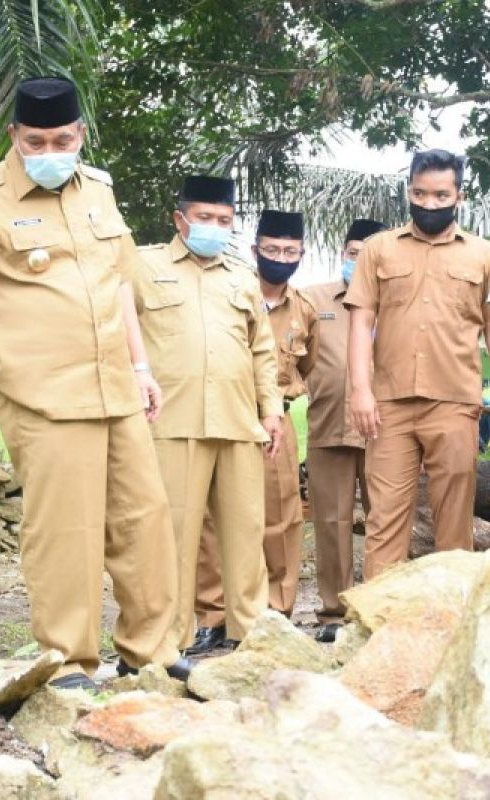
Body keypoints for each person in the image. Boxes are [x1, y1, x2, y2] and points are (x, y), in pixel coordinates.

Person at [0, 77, 190, 691]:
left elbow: (119, 280)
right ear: (15, 136)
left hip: (115, 387)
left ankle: (150, 651)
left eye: (63, 139)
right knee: (66, 531)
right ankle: (70, 661)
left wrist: (143, 367)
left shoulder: (98, 188)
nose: (50, 150)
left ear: (81, 134)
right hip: (44, 395)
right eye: (37, 140)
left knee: (144, 520)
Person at [133, 175, 283, 654]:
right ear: (181, 220)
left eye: (224, 220)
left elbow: (263, 350)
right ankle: (169, 641)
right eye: (204, 218)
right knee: (174, 538)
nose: (214, 227)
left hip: (239, 423)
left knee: (246, 536)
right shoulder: (143, 266)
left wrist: (272, 411)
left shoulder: (242, 276)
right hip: (173, 424)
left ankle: (250, 634)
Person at [346, 149, 490, 580]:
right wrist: (360, 391)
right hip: (388, 406)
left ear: (459, 195)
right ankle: (379, 626)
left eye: (440, 195)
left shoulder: (485, 255)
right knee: (384, 521)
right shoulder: (378, 250)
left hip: (455, 404)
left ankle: (453, 620)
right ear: (409, 191)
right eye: (419, 193)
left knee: (454, 522)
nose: (429, 204)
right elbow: (361, 322)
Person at [192, 210, 318, 638]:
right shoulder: (229, 290)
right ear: (254, 250)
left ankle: (275, 613)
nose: (280, 257)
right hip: (222, 411)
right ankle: (213, 616)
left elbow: (308, 364)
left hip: (275, 418)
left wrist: (278, 405)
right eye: (271, 249)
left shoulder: (304, 309)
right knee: (212, 518)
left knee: (281, 515)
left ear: (300, 254)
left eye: (289, 251)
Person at [304, 218, 384, 641]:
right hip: (329, 423)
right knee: (331, 521)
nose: (360, 261)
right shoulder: (314, 299)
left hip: (386, 431)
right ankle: (334, 613)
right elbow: (288, 351)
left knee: (386, 519)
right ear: (343, 253)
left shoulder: (396, 302)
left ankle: (383, 606)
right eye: (355, 253)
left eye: (369, 255)